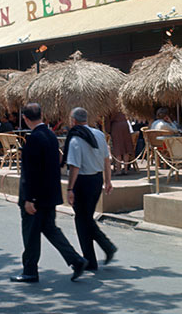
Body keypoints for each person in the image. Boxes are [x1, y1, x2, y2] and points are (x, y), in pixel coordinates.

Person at [11, 103, 88, 283]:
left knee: (30, 235)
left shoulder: (34, 139)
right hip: (49, 195)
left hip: (35, 197)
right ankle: (76, 260)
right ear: (42, 115)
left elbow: (30, 173)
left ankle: (30, 270)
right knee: (51, 230)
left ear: (25, 119)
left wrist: (29, 198)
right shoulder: (51, 136)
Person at [65, 107, 118, 271]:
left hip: (82, 181)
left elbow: (74, 167)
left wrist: (70, 188)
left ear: (73, 121)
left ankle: (102, 250)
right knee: (85, 218)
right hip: (96, 180)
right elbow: (106, 159)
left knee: (82, 220)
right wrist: (107, 180)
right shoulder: (99, 134)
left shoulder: (75, 139)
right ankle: (95, 255)